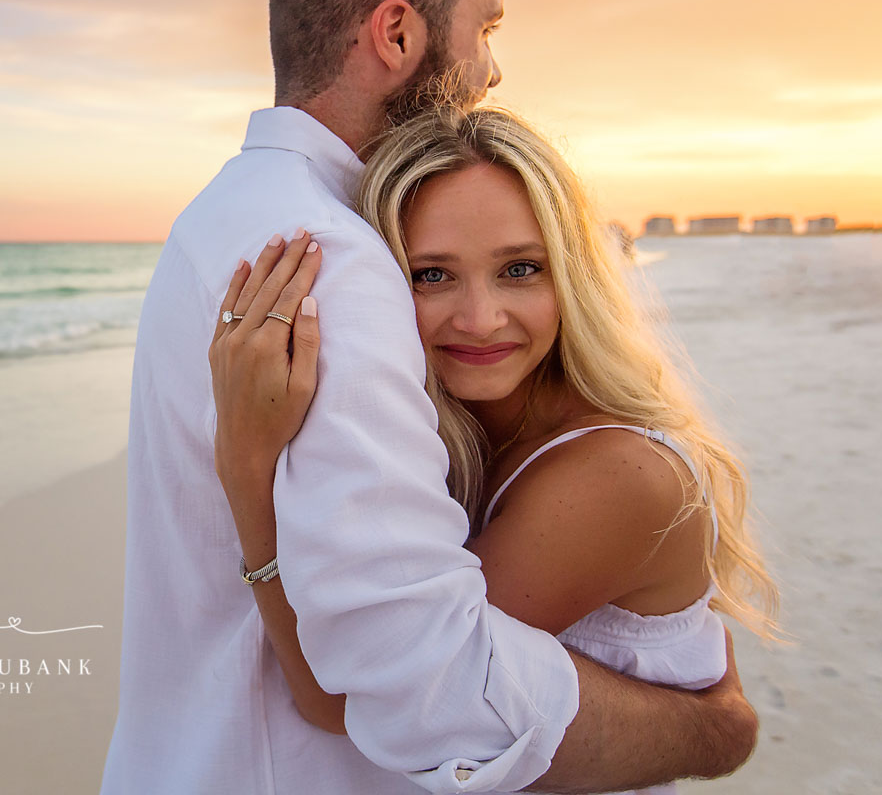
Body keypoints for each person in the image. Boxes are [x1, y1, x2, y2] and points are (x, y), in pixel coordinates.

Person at [99, 0, 759, 795]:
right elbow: (420, 676)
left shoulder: (219, 215)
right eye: (485, 27)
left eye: (521, 268)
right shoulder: (335, 257)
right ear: (399, 32)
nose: (494, 69)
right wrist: (704, 732)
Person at [207, 105, 781, 795]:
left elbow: (345, 702)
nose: (480, 319)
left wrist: (246, 469)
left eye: (520, 270)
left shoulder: (614, 475)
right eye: (431, 276)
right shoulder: (458, 437)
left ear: (571, 276)